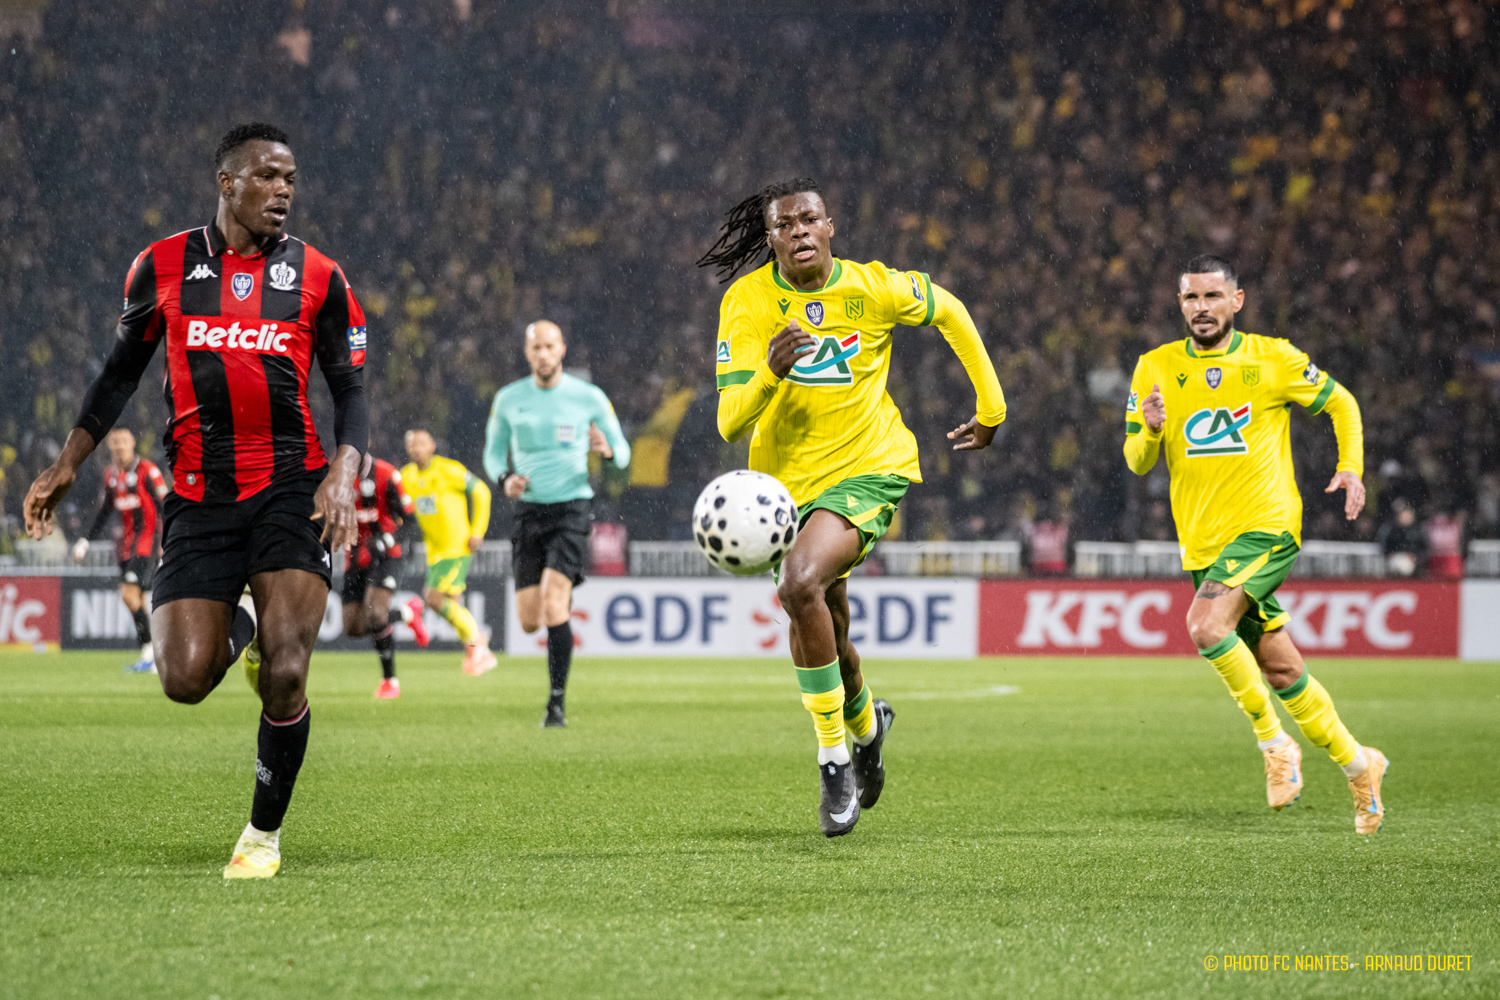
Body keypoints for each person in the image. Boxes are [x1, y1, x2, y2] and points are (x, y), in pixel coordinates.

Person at [22, 122, 368, 877]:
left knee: (287, 669)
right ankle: (242, 622)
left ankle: (262, 836)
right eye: (267, 176)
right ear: (226, 182)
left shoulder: (320, 276)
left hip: (291, 486)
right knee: (183, 680)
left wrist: (344, 470)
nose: (283, 190)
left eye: (290, 179)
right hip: (199, 496)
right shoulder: (162, 266)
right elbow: (120, 374)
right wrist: (68, 463)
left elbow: (351, 388)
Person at [700, 177, 1006, 837]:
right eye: (785, 225)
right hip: (786, 489)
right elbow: (729, 421)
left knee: (798, 583)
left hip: (869, 468)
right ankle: (867, 728)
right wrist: (770, 371)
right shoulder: (747, 301)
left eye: (810, 219)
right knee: (828, 628)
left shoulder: (873, 287)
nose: (800, 231)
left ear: (830, 226)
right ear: (771, 239)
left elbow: (950, 310)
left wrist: (992, 408)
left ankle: (833, 759)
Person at [1124, 254, 1387, 833]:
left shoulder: (1274, 358)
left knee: (1204, 625)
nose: (1201, 308)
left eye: (1212, 296)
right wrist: (1151, 429)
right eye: (1191, 297)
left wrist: (1351, 466)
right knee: (1282, 670)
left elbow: (1341, 401)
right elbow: (1137, 461)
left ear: (1236, 301)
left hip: (1267, 528)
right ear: (1180, 303)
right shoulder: (1154, 367)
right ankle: (1359, 764)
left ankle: (1274, 743)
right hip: (1205, 547)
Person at [483, 320, 630, 728]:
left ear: (562, 349)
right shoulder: (508, 399)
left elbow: (623, 453)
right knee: (530, 620)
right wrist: (504, 479)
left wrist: (607, 451)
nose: (543, 354)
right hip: (528, 511)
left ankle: (556, 705)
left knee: (552, 604)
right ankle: (560, 590)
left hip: (572, 509)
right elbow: (493, 454)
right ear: (527, 353)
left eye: (550, 346)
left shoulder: (589, 398)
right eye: (536, 348)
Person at [71, 427, 169, 672]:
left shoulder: (148, 471)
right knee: (137, 598)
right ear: (109, 446)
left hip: (146, 544)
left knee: (127, 593)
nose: (120, 446)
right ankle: (155, 655)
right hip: (125, 549)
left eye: (124, 441)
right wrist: (85, 541)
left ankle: (149, 651)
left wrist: (168, 542)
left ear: (133, 442)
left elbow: (166, 506)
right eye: (115, 442)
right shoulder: (111, 476)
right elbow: (104, 512)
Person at [401, 429, 495, 675]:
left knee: (432, 598)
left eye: (421, 443)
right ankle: (476, 655)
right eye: (412, 444)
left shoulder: (449, 470)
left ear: (432, 445)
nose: (416, 448)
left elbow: (482, 492)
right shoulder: (406, 476)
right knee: (452, 603)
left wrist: (478, 530)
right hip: (434, 550)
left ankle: (478, 643)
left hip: (456, 546)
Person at [343, 455, 428, 699]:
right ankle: (407, 613)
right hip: (355, 558)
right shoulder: (336, 476)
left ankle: (390, 681)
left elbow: (411, 522)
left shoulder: (387, 474)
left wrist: (387, 539)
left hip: (387, 556)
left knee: (375, 613)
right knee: (353, 627)